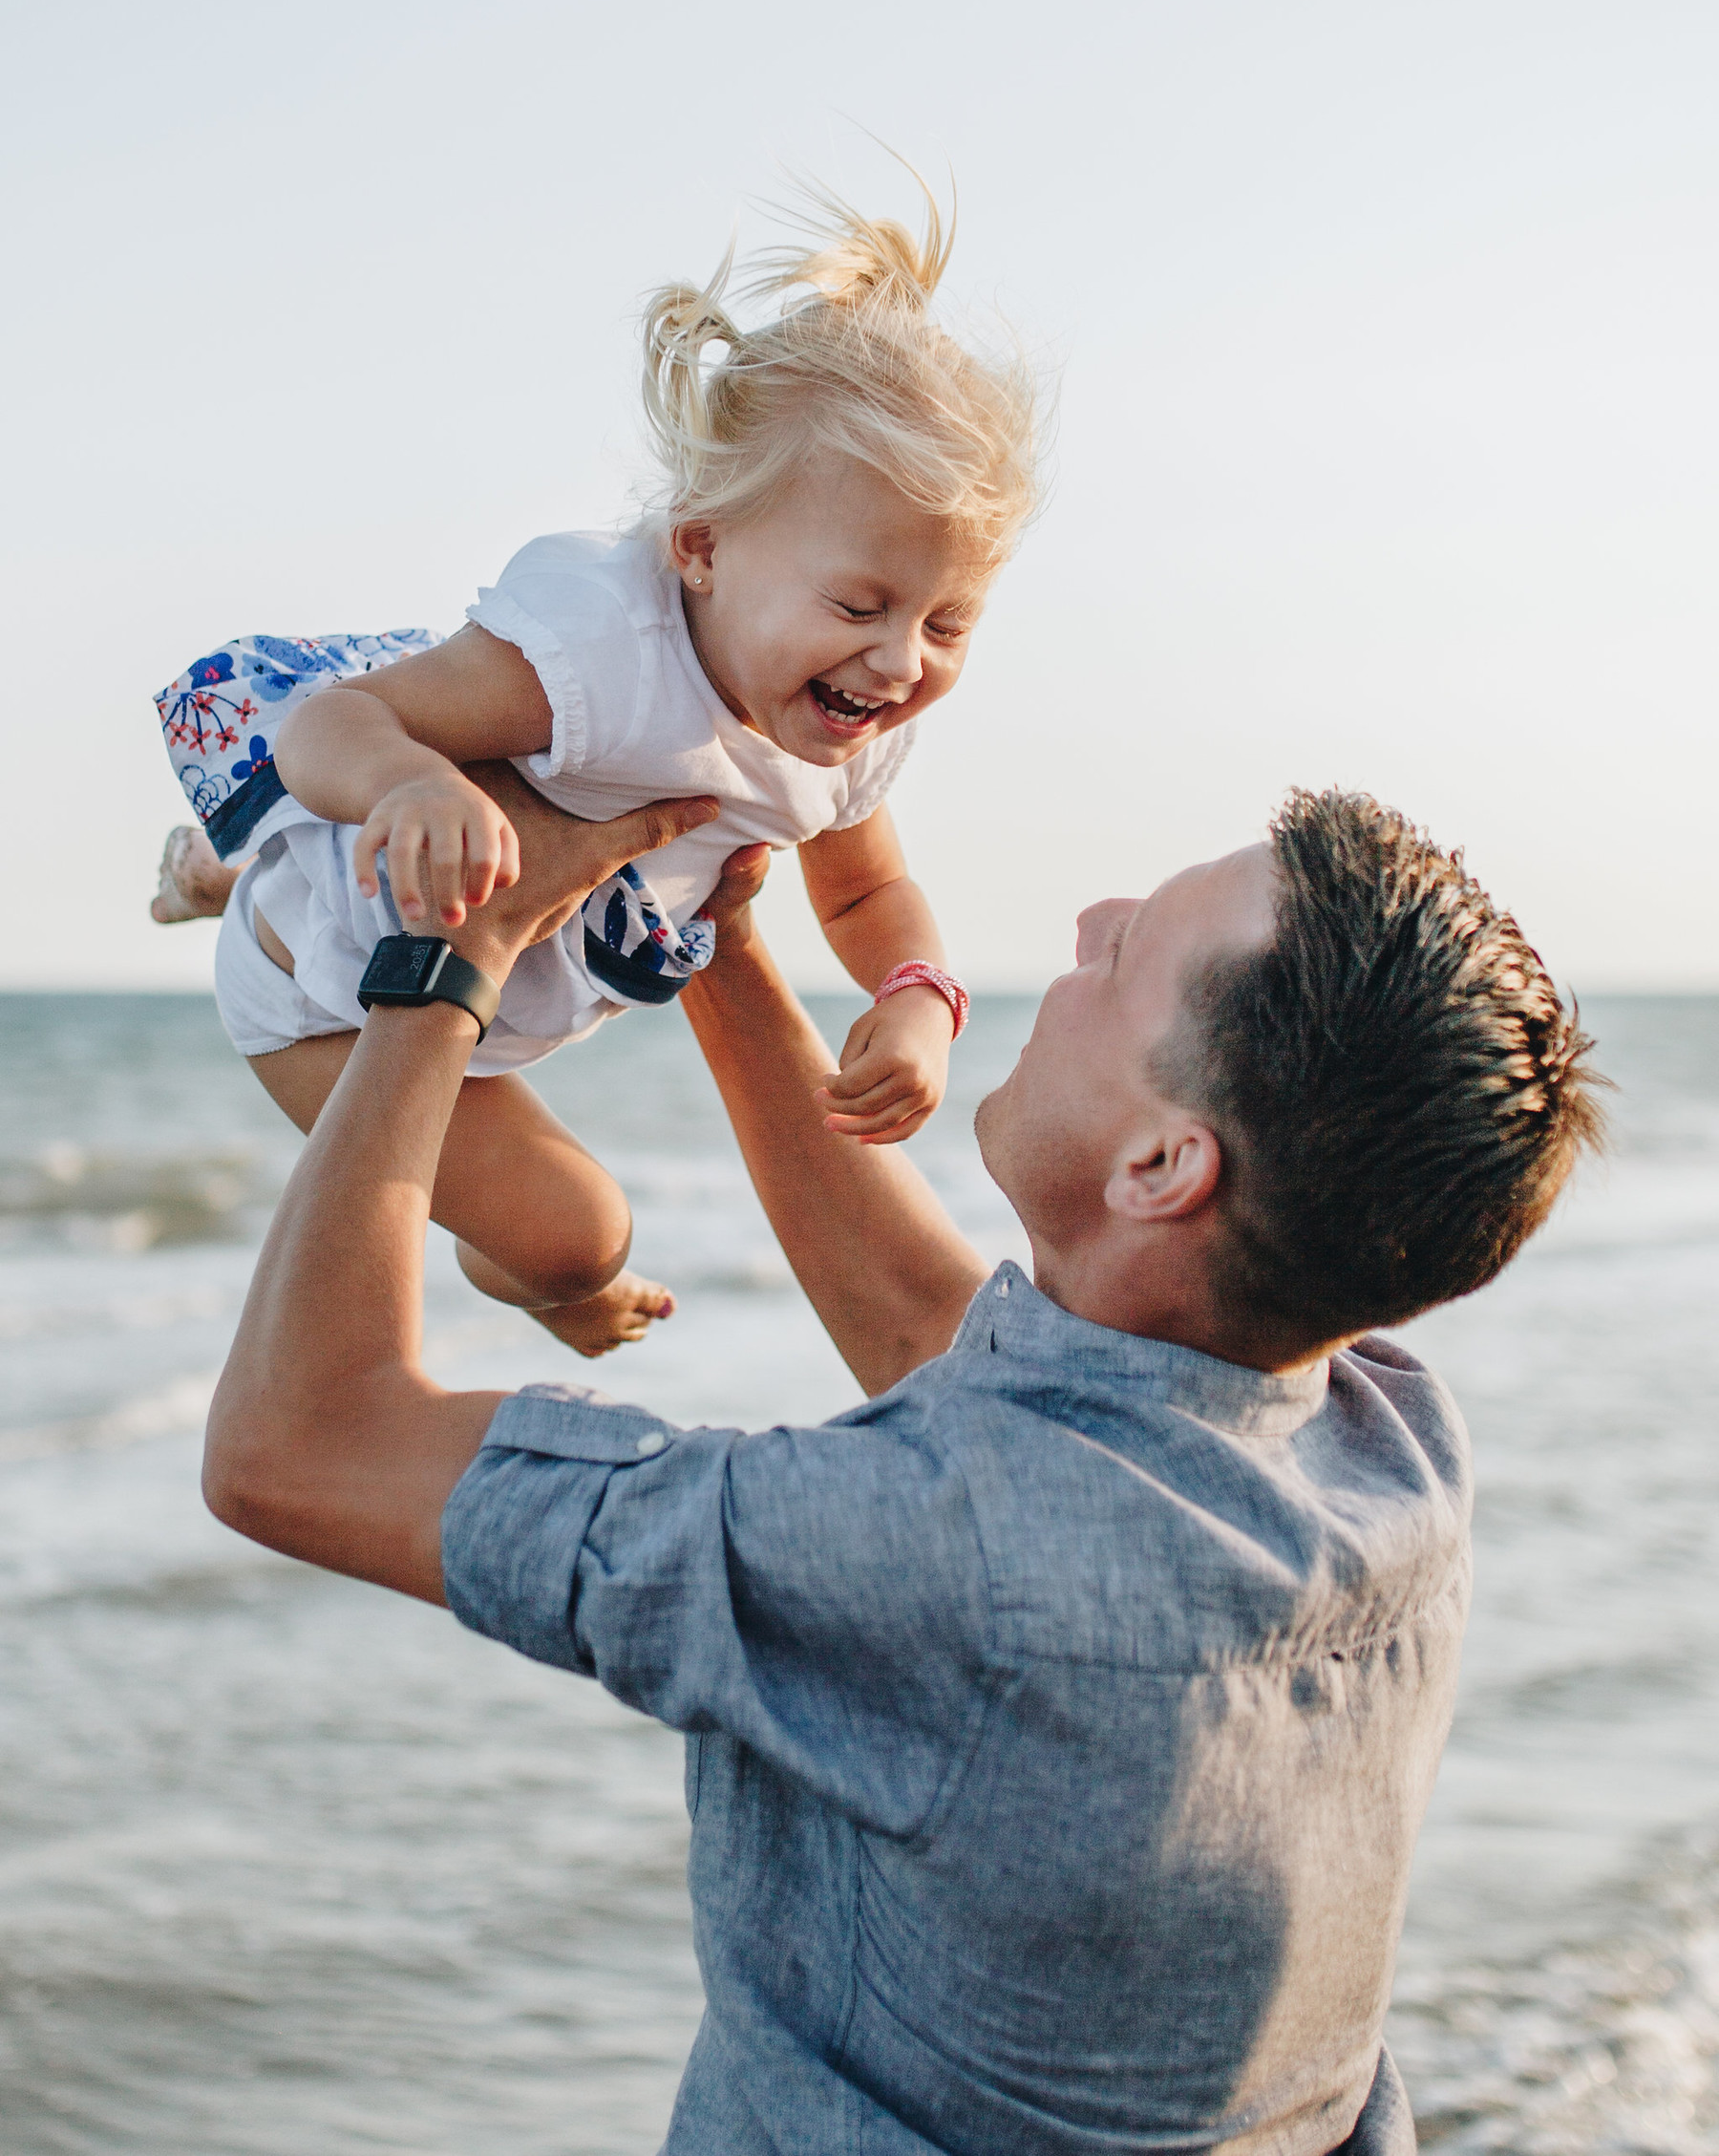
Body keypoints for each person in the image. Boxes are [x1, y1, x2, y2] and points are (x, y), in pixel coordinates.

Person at [202, 769, 1605, 2155]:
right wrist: (723, 944)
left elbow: (298, 1445)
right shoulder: (1387, 1448)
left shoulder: (934, 1556)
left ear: (1163, 1170)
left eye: (1127, 957)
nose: (1087, 921)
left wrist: (446, 974)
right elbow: (973, 1381)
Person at [150, 184, 1040, 1356]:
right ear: (705, 549)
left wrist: (919, 997)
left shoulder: (845, 737)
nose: (898, 661)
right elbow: (332, 718)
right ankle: (236, 874)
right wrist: (412, 787)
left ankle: (226, 863)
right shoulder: (593, 658)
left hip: (498, 1003)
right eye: (861, 605)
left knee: (575, 1225)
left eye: (948, 624)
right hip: (319, 989)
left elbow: (866, 890)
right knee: (579, 1243)